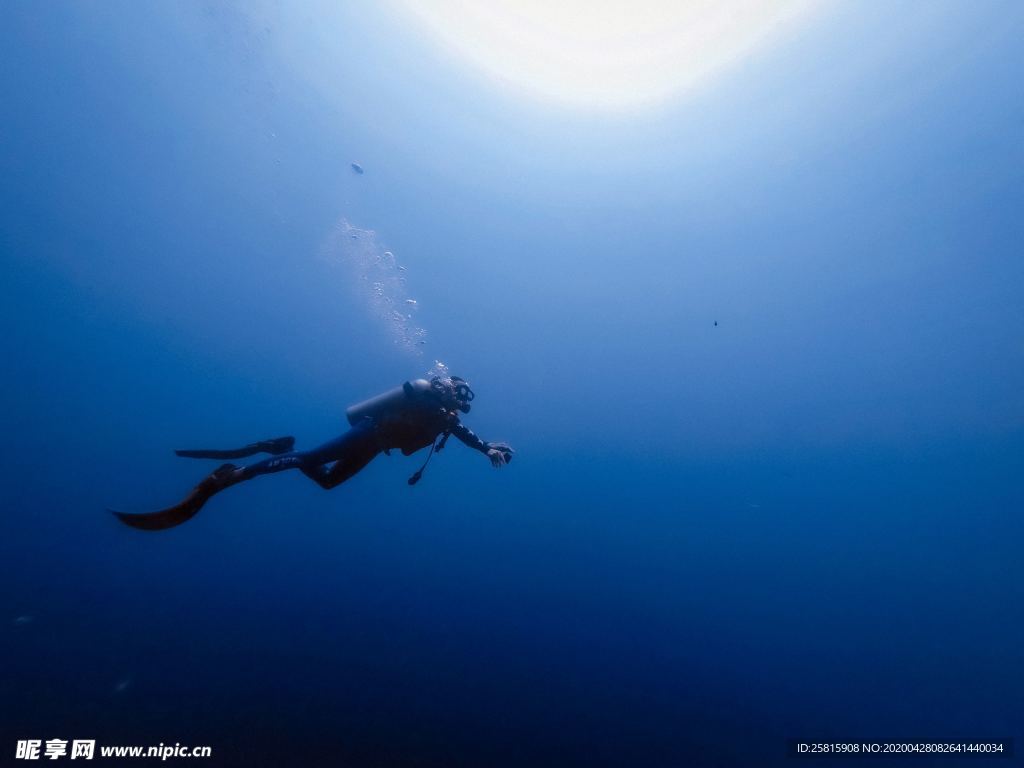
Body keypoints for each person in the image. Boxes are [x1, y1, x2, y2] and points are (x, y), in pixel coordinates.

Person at [112, 376, 514, 531]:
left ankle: (281, 447)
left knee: (325, 482)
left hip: (377, 448)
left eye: (458, 405)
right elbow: (415, 393)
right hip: (370, 431)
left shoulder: (446, 418)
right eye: (454, 400)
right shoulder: (428, 397)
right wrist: (430, 390)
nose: (455, 408)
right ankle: (230, 477)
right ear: (448, 390)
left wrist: (486, 449)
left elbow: (463, 433)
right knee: (309, 461)